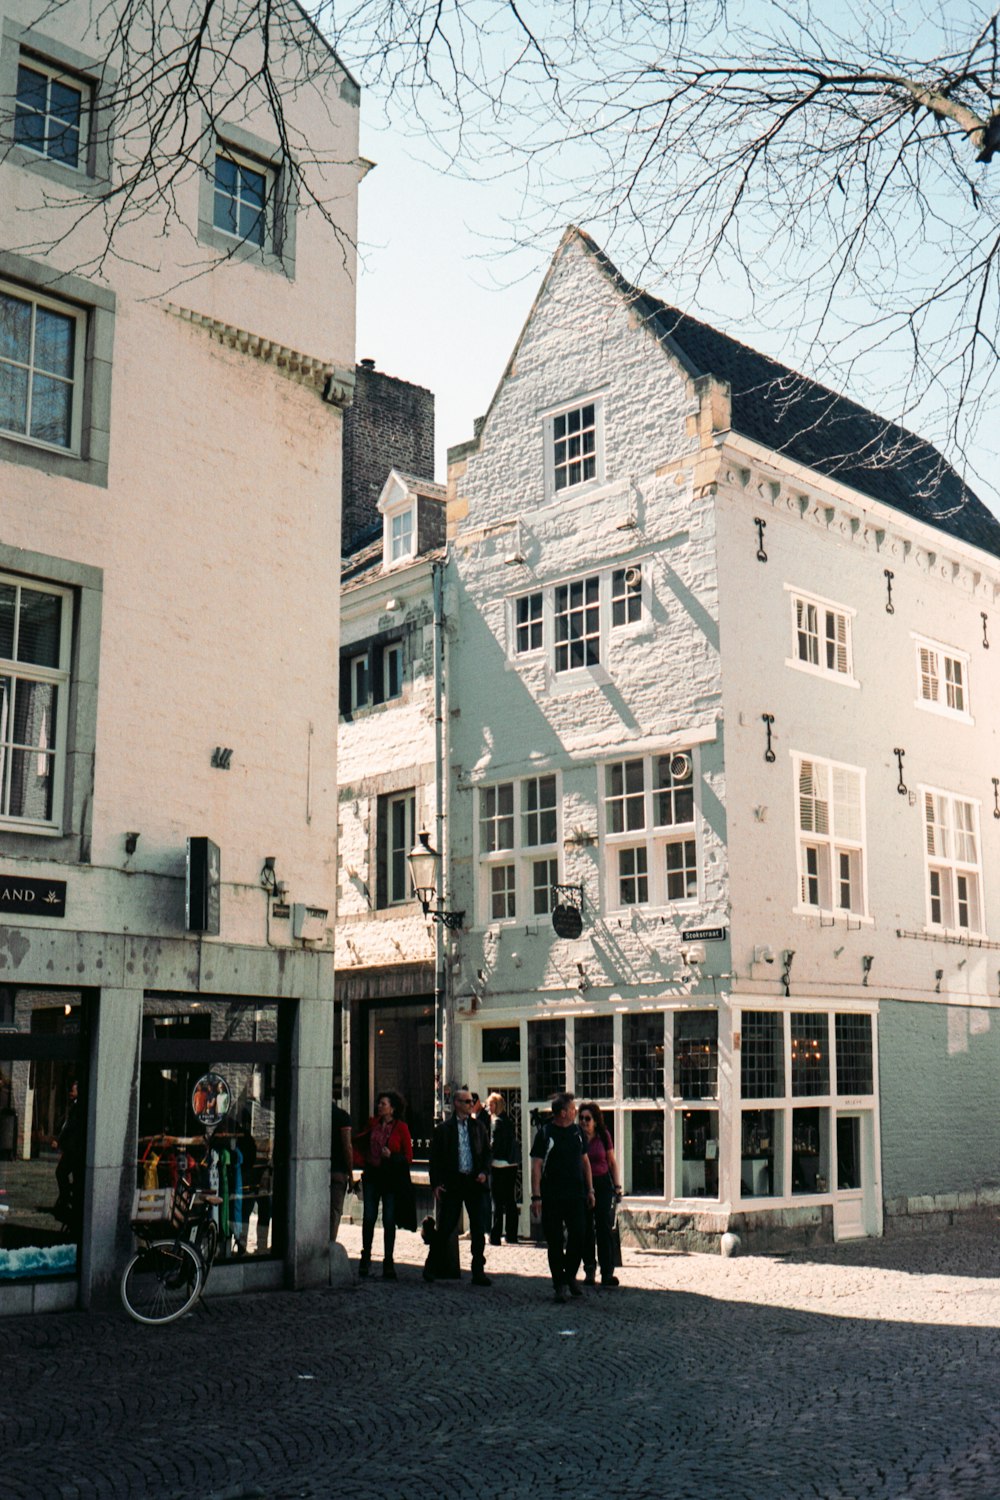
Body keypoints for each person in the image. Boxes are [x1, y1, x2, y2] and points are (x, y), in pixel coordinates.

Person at [530, 1091, 594, 1303]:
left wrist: (590, 1189)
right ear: (564, 1112)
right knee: (555, 1241)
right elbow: (537, 1165)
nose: (576, 1112)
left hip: (576, 1194)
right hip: (552, 1195)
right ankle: (560, 1284)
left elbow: (585, 1162)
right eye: (573, 1109)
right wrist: (536, 1196)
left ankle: (570, 1275)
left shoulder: (577, 1132)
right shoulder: (546, 1133)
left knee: (579, 1235)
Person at [425, 1087, 492, 1286]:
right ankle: (431, 1265)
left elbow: (487, 1153)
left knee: (478, 1228)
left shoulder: (478, 1127)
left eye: (472, 1102)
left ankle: (478, 1270)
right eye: (466, 1102)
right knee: (446, 1227)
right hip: (453, 1182)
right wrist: (436, 1184)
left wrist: (484, 1172)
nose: (471, 1105)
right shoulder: (444, 1130)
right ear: (456, 1104)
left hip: (473, 1182)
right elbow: (435, 1159)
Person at [354, 1091, 414, 1280]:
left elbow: (408, 1157)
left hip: (390, 1178)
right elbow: (362, 1141)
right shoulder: (373, 1124)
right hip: (372, 1175)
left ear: (393, 1108)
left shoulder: (401, 1128)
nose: (380, 1107)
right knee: (369, 1217)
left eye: (384, 1104)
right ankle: (366, 1256)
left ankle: (388, 1261)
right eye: (379, 1104)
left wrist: (392, 1156)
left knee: (389, 1219)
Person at [579, 1101, 622, 1287]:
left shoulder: (603, 1136)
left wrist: (617, 1185)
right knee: (586, 1228)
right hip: (582, 1185)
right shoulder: (577, 1137)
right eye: (581, 1118)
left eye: (587, 1118)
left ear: (595, 1120)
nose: (584, 1122)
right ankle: (589, 1270)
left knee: (603, 1227)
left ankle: (607, 1272)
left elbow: (611, 1161)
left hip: (602, 1183)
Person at [51, 1079, 84, 1232]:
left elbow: (71, 1129)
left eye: (73, 1090)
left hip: (73, 1150)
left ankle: (66, 1197)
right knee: (64, 1174)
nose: (70, 1093)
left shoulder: (78, 1108)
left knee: (61, 1172)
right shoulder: (75, 1106)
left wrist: (61, 1143)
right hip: (72, 1149)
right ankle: (68, 1196)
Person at [487, 1091, 519, 1245]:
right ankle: (512, 1235)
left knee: (497, 1201)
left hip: (499, 1164)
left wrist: (486, 1158)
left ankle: (495, 1235)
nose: (489, 1107)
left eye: (491, 1104)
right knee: (510, 1200)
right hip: (511, 1163)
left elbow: (494, 1144)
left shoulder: (496, 1122)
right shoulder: (509, 1120)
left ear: (497, 1105)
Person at [330, 1098, 354, 1243]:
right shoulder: (341, 1115)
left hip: (317, 1171)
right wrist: (350, 1174)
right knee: (334, 1211)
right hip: (337, 1170)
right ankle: (329, 1244)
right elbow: (347, 1146)